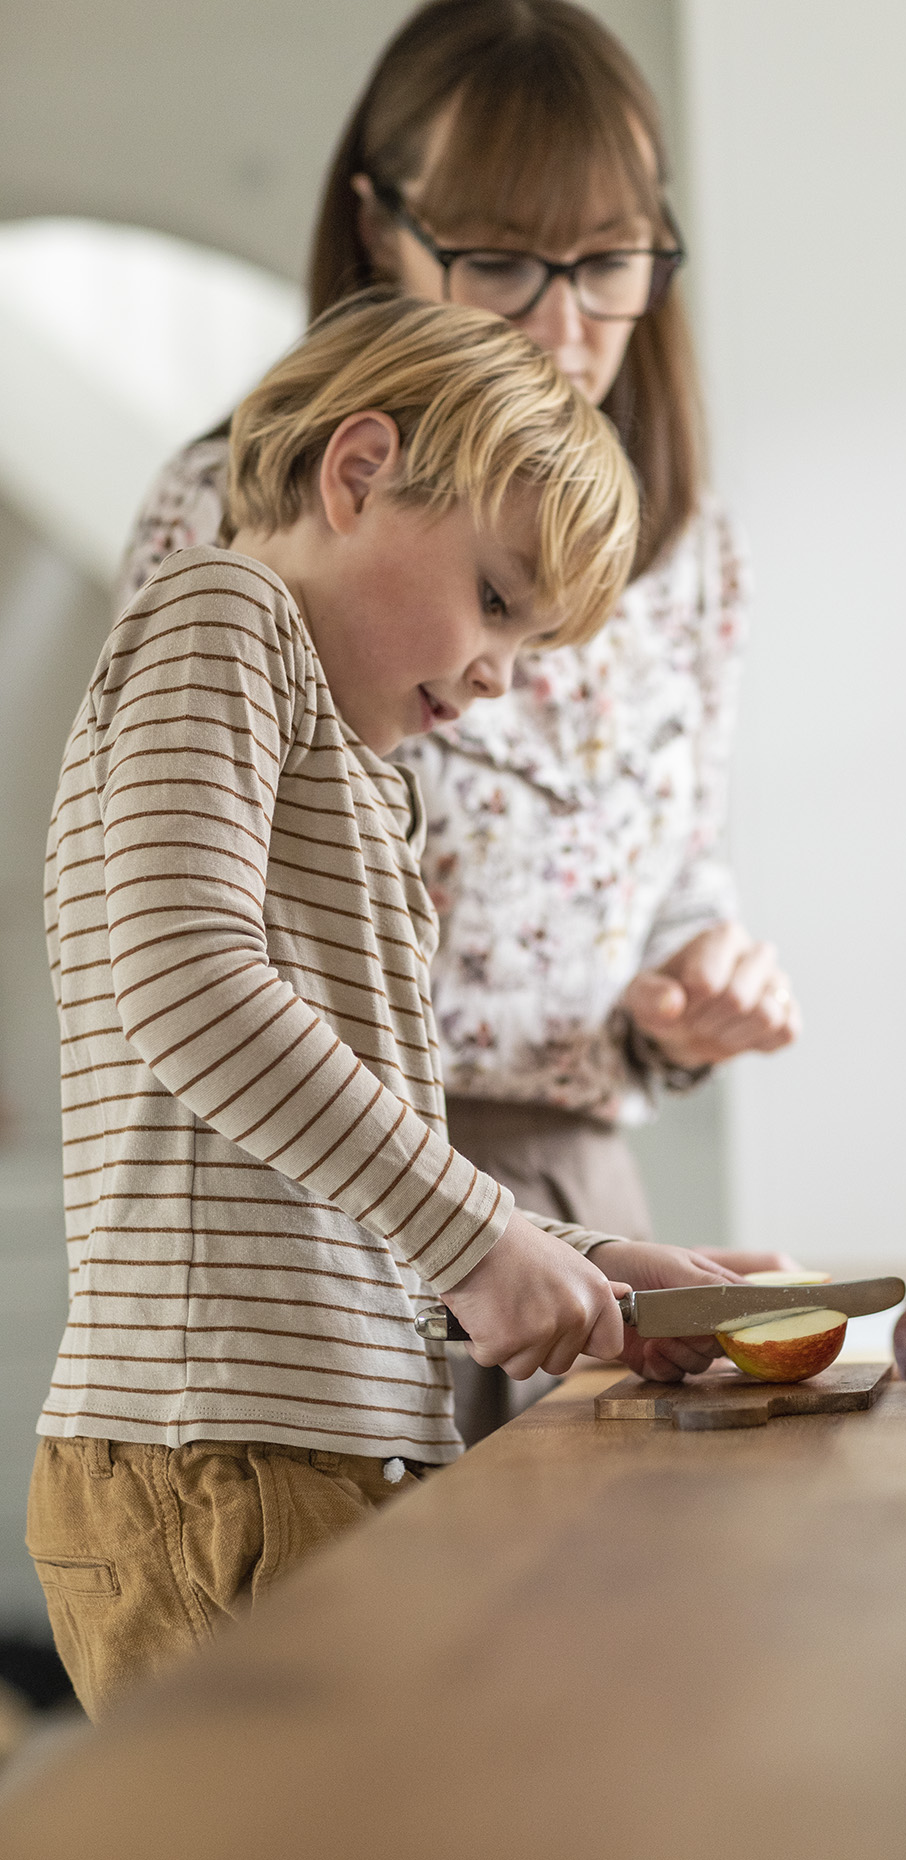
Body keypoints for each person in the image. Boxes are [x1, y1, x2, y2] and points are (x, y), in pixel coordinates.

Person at [28, 291, 753, 1720]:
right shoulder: (220, 613)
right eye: (495, 597)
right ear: (355, 473)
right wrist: (478, 1235)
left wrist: (597, 1267)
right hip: (215, 1455)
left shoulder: (358, 774)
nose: (496, 677)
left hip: (302, 1445)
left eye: (531, 647)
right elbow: (186, 978)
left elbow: (350, 1168)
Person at [119, 1, 802, 1429]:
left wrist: (688, 994)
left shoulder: (693, 550)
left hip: (574, 1201)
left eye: (610, 264)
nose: (562, 326)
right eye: (499, 261)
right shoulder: (242, 526)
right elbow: (185, 946)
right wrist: (468, 1231)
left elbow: (670, 860)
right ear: (376, 231)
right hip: (330, 1201)